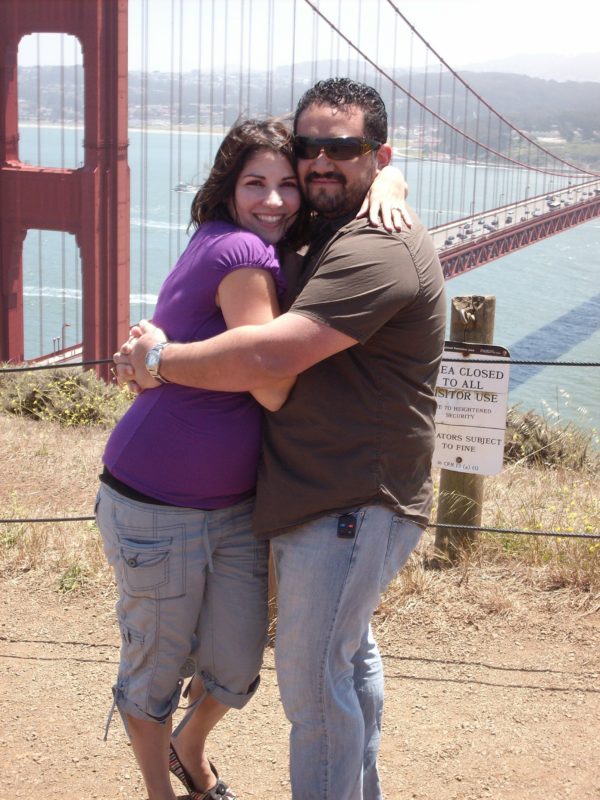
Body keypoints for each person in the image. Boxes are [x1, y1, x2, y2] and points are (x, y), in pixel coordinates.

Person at [116, 78, 446, 800]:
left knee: (314, 691)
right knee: (345, 664)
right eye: (310, 148)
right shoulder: (311, 229)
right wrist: (387, 172)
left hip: (350, 496)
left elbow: (267, 360)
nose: (321, 163)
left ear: (377, 153)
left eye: (345, 149)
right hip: (325, 494)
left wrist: (157, 362)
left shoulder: (376, 247)